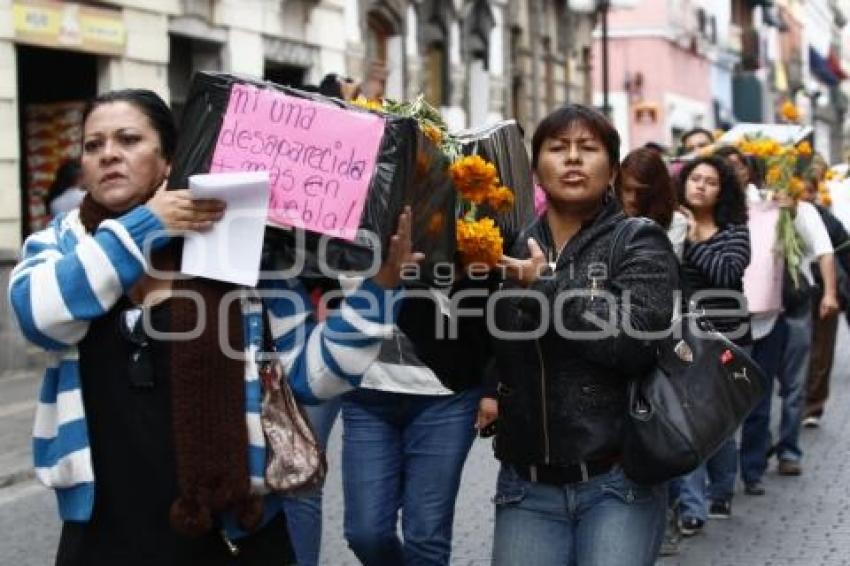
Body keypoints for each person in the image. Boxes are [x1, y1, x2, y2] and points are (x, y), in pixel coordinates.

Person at [8, 89, 420, 565]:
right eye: (93, 145)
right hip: (107, 532)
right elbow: (39, 317)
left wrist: (380, 289)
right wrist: (146, 227)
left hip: (228, 531)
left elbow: (312, 376)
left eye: (128, 140)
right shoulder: (59, 243)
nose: (109, 155)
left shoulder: (240, 248)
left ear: (169, 160)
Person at [480, 104, 678, 565]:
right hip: (525, 484)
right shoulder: (504, 245)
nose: (572, 159)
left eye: (587, 149)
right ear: (536, 168)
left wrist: (547, 288)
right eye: (557, 148)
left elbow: (633, 342)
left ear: (611, 169)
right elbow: (477, 346)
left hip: (617, 481)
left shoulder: (638, 240)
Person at [740, 173, 838, 492]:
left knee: (794, 385)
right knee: (760, 384)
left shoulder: (805, 212)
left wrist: (829, 294)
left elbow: (824, 252)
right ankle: (759, 449)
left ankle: (789, 450)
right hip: (761, 308)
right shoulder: (754, 208)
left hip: (794, 302)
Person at [673, 155, 751, 536]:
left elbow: (726, 272)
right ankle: (692, 505)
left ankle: (721, 490)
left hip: (728, 339)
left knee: (720, 423)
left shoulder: (735, 229)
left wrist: (694, 239)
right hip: (686, 339)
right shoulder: (671, 224)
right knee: (689, 421)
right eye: (695, 178)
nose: (700, 186)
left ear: (723, 191)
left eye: (711, 181)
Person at [800, 174, 850, 428]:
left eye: (809, 191)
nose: (804, 197)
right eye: (800, 191)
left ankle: (813, 404)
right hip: (793, 293)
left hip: (824, 291)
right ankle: (796, 396)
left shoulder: (829, 221)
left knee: (822, 349)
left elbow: (845, 255)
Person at [616, 147, 687, 259]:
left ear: (655, 191)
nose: (632, 198)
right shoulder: (609, 217)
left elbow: (662, 266)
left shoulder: (675, 221)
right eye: (627, 189)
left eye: (641, 192)